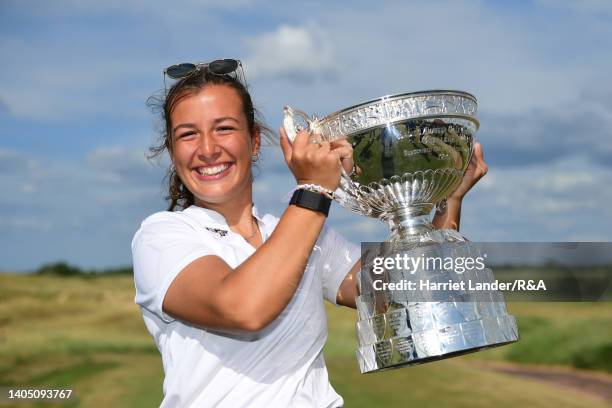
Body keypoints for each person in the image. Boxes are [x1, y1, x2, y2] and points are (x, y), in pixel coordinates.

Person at [131, 59, 488, 408]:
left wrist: (444, 201)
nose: (208, 149)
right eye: (188, 134)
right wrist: (314, 189)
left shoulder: (297, 230)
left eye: (224, 128)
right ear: (172, 150)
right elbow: (244, 308)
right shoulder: (162, 237)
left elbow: (403, 291)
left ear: (254, 141)